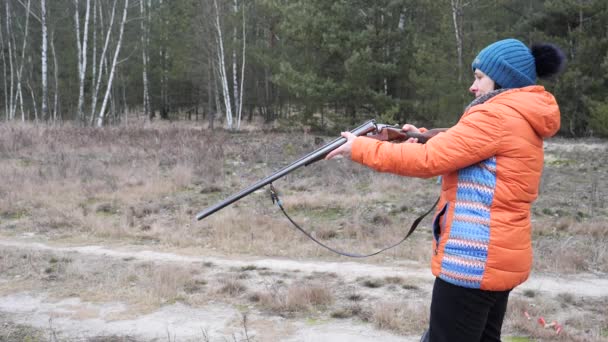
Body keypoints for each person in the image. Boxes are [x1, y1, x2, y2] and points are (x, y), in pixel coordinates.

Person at [325, 38, 566, 341]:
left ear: (502, 80)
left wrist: (359, 147)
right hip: (498, 258)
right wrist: (421, 135)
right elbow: (462, 145)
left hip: (472, 260)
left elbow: (428, 161)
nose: (472, 86)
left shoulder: (495, 116)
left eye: (479, 77)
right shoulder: (518, 116)